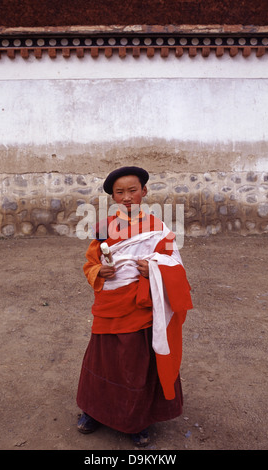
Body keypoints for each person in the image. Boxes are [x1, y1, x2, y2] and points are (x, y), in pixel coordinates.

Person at [76, 166, 193, 447]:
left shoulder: (158, 227)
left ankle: (137, 420)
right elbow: (90, 263)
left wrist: (152, 268)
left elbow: (175, 266)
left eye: (133, 190)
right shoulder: (104, 227)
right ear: (113, 196)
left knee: (137, 363)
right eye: (120, 192)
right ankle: (94, 411)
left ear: (144, 191)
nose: (127, 197)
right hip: (110, 306)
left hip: (142, 307)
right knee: (103, 360)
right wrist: (97, 273)